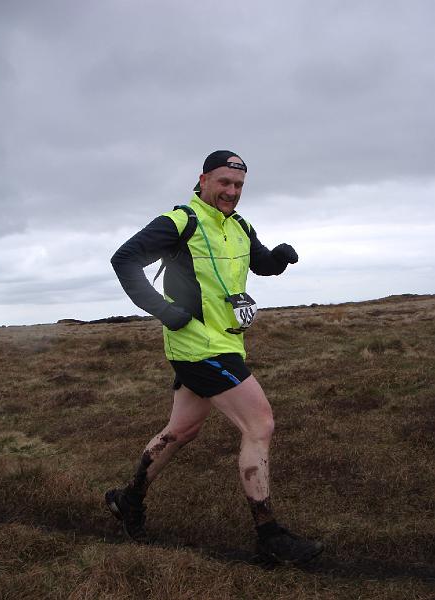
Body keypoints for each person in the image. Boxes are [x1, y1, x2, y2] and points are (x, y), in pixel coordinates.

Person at [106, 150, 323, 565]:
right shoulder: (179, 222)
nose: (232, 191)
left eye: (239, 185)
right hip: (196, 346)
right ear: (203, 180)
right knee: (260, 422)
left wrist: (279, 258)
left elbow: (259, 264)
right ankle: (269, 535)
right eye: (224, 182)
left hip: (226, 342)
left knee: (182, 430)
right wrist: (165, 311)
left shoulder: (238, 225)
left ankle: (128, 500)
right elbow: (125, 259)